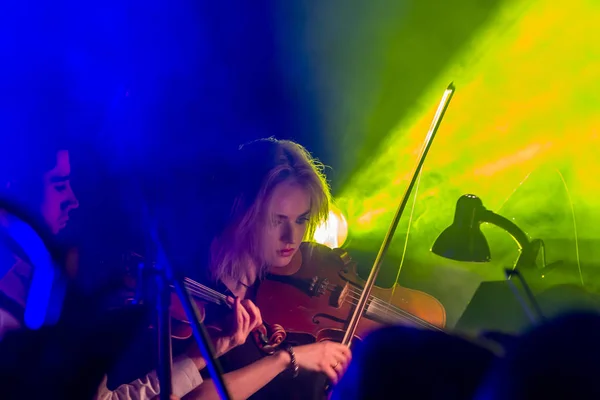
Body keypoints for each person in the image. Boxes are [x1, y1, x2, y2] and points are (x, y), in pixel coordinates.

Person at [0, 127, 256, 398]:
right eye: (59, 185)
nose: (72, 201)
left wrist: (203, 354)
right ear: (11, 185)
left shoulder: (38, 288)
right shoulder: (25, 303)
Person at [182, 138, 352, 400]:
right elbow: (190, 396)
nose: (292, 237)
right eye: (277, 220)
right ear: (242, 213)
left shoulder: (283, 283)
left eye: (301, 220)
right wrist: (286, 359)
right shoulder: (195, 299)